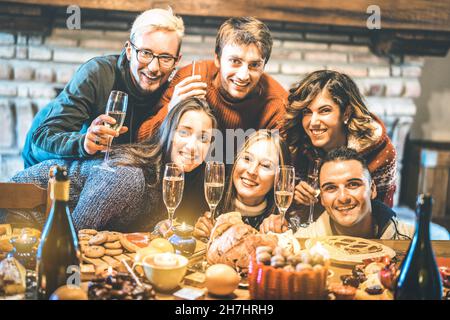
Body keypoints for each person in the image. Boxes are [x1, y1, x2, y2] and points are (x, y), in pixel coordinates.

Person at [3, 98, 216, 232]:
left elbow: (125, 227)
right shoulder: (127, 177)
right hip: (22, 216)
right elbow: (77, 235)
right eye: (184, 132)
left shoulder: (171, 180)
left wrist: (159, 228)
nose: (192, 146)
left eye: (203, 138)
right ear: (168, 132)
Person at [22, 8, 185, 168]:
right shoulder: (97, 73)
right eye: (145, 53)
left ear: (176, 61)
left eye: (165, 57)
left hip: (112, 170)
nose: (153, 67)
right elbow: (43, 138)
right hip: (49, 163)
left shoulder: (174, 90)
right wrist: (84, 142)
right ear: (129, 50)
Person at [137, 16, 287, 145]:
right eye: (235, 61)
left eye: (254, 65)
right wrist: (171, 109)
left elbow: (281, 167)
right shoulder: (192, 77)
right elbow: (142, 140)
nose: (243, 75)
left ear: (264, 65)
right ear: (217, 59)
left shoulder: (276, 104)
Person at [282, 70, 397, 211]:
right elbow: (292, 214)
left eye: (324, 110)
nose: (313, 122)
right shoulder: (299, 146)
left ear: (346, 113)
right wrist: (296, 201)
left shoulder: (381, 153)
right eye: (307, 112)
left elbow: (382, 216)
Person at [293, 147, 414, 239]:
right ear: (322, 199)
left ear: (372, 190)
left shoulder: (410, 239)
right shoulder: (304, 242)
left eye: (353, 184)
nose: (343, 197)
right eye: (331, 188)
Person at [193, 130, 291, 239]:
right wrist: (197, 234)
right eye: (247, 158)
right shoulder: (208, 197)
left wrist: (281, 235)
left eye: (265, 165)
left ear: (278, 179)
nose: (251, 171)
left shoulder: (279, 220)